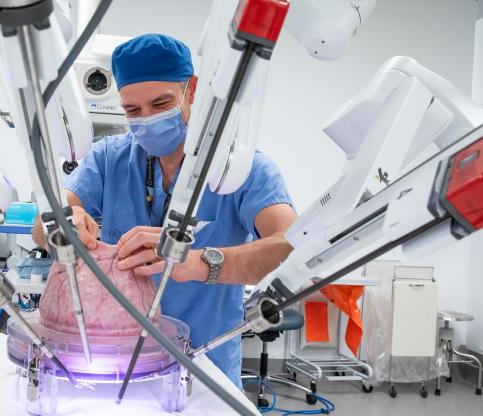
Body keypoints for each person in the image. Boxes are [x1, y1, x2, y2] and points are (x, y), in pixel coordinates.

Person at [33, 33, 296, 387]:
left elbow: (289, 245)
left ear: (193, 90)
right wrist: (64, 221)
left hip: (204, 366)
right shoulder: (110, 158)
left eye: (160, 104)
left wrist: (199, 263)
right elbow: (46, 223)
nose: (147, 119)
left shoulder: (240, 169)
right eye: (132, 110)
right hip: (114, 368)